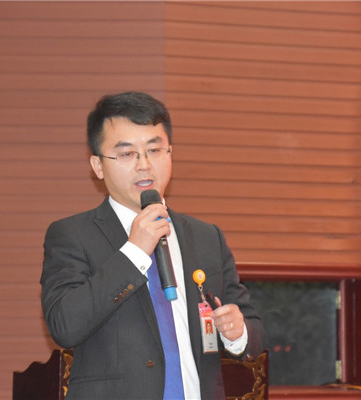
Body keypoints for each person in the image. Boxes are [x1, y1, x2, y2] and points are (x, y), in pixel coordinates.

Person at [40, 91, 266, 399]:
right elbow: (64, 325)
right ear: (98, 165)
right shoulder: (72, 235)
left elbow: (252, 329)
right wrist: (134, 252)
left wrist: (238, 333)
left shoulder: (206, 237)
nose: (144, 165)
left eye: (155, 150)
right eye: (127, 154)